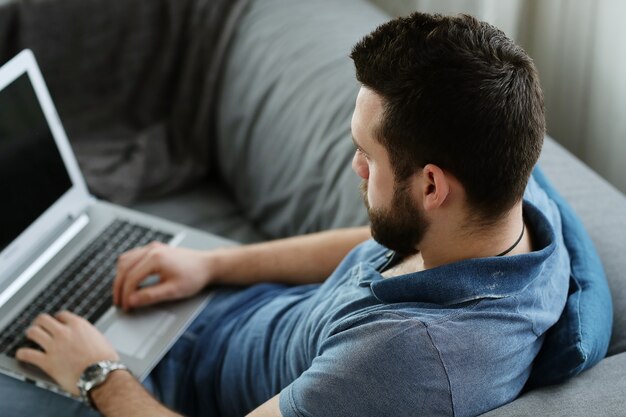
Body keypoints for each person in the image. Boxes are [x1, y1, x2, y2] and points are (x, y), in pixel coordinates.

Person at [2, 11, 569, 417]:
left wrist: (98, 373)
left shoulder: (406, 361)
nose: (356, 168)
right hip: (218, 310)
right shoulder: (511, 210)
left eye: (368, 155)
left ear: (430, 186)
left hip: (158, 389)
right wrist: (211, 266)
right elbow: (371, 246)